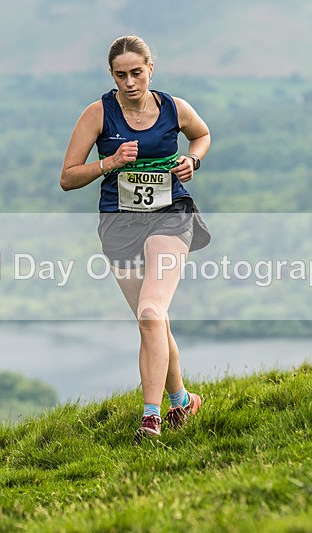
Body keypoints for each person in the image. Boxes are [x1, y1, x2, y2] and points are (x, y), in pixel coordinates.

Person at [60, 35, 211, 441]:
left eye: (137, 73)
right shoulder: (97, 114)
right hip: (119, 226)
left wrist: (191, 160)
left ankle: (151, 417)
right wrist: (108, 163)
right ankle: (182, 401)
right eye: (121, 75)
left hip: (170, 217)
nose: (130, 82)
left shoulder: (174, 108)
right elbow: (68, 177)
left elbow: (202, 135)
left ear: (150, 69)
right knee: (152, 322)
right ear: (111, 75)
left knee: (150, 312)